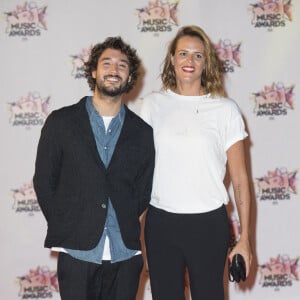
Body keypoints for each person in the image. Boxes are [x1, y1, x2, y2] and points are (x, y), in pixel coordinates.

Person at [33, 37, 155, 300]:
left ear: (130, 75)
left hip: (126, 254)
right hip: (77, 254)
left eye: (122, 65)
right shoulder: (61, 122)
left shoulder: (143, 132)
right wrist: (67, 224)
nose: (114, 70)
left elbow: (144, 191)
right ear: (93, 71)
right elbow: (44, 181)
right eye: (107, 63)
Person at [139, 25, 252, 300]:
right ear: (172, 60)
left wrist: (245, 239)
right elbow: (139, 174)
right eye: (183, 54)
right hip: (161, 224)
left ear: (206, 63)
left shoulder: (226, 110)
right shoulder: (151, 106)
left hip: (208, 226)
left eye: (198, 56)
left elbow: (239, 180)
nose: (189, 61)